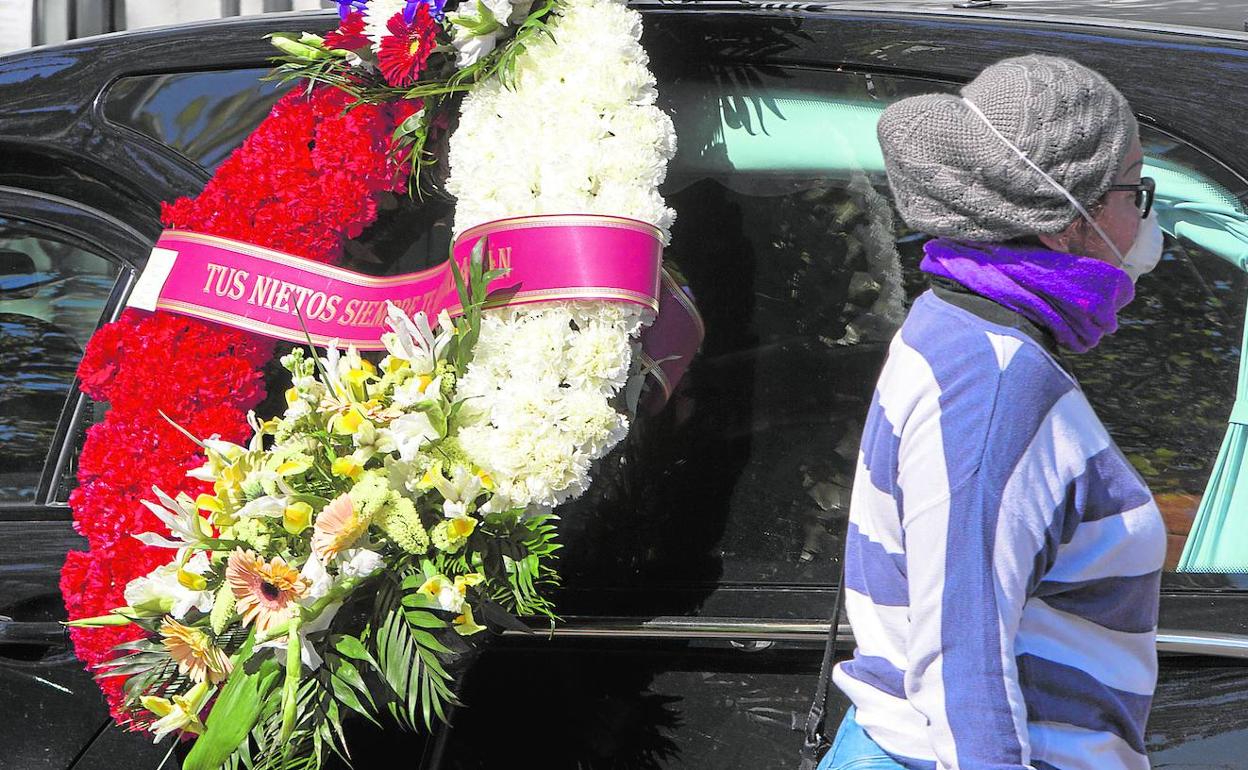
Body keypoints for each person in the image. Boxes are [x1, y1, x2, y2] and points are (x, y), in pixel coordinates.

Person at [818, 55, 1167, 770]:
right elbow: (964, 669)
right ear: (1066, 220)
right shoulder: (997, 382)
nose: (1145, 217)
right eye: (1136, 188)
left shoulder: (958, 323)